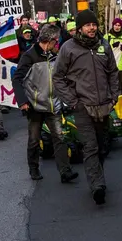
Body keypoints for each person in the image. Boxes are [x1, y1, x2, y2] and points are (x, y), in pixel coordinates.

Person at [52, 9, 118, 204]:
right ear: (80, 28)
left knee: (103, 146)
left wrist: (114, 96)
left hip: (104, 105)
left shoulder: (103, 45)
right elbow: (58, 77)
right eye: (88, 25)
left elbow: (113, 72)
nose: (92, 28)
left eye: (94, 25)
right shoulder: (68, 48)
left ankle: (98, 176)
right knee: (90, 147)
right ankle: (97, 185)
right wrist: (73, 101)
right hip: (82, 106)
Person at [14, 25, 76, 182]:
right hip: (34, 106)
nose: (57, 44)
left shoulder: (55, 56)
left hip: (53, 103)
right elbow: (17, 79)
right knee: (34, 139)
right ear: (50, 40)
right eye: (56, 41)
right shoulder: (29, 57)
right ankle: (33, 169)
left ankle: (65, 171)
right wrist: (23, 102)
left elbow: (61, 77)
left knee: (59, 138)